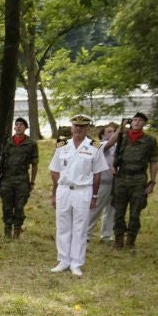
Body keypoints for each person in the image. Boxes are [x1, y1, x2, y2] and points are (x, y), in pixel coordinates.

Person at [48, 115, 108, 277]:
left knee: (80, 228)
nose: (78, 129)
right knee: (63, 226)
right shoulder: (62, 145)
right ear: (71, 127)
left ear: (88, 128)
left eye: (82, 126)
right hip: (64, 189)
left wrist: (94, 196)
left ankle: (76, 263)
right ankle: (63, 260)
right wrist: (54, 194)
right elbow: (54, 171)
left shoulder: (94, 147)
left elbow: (97, 174)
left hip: (83, 190)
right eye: (76, 126)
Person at [110, 112, 158, 249]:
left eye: (140, 120)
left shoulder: (150, 141)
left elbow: (153, 162)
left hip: (138, 179)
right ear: (131, 123)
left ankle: (131, 240)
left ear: (144, 123)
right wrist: (113, 166)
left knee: (135, 211)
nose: (137, 122)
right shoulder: (123, 138)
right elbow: (113, 150)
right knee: (118, 210)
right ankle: (118, 239)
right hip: (121, 178)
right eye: (134, 120)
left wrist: (152, 181)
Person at [0, 117, 39, 239]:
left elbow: (34, 164)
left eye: (21, 125)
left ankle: (17, 231)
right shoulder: (8, 141)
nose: (18, 127)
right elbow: (3, 157)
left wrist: (32, 182)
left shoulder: (31, 143)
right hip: (7, 179)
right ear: (14, 127)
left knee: (19, 206)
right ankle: (7, 231)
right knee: (7, 206)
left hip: (22, 179)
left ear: (25, 128)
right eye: (17, 124)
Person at [91, 122, 119, 242]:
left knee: (111, 211)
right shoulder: (99, 145)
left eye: (113, 131)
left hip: (116, 183)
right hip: (103, 183)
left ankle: (106, 236)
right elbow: (110, 142)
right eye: (109, 131)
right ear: (102, 135)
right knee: (95, 209)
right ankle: (86, 234)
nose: (112, 133)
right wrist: (120, 129)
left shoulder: (118, 146)